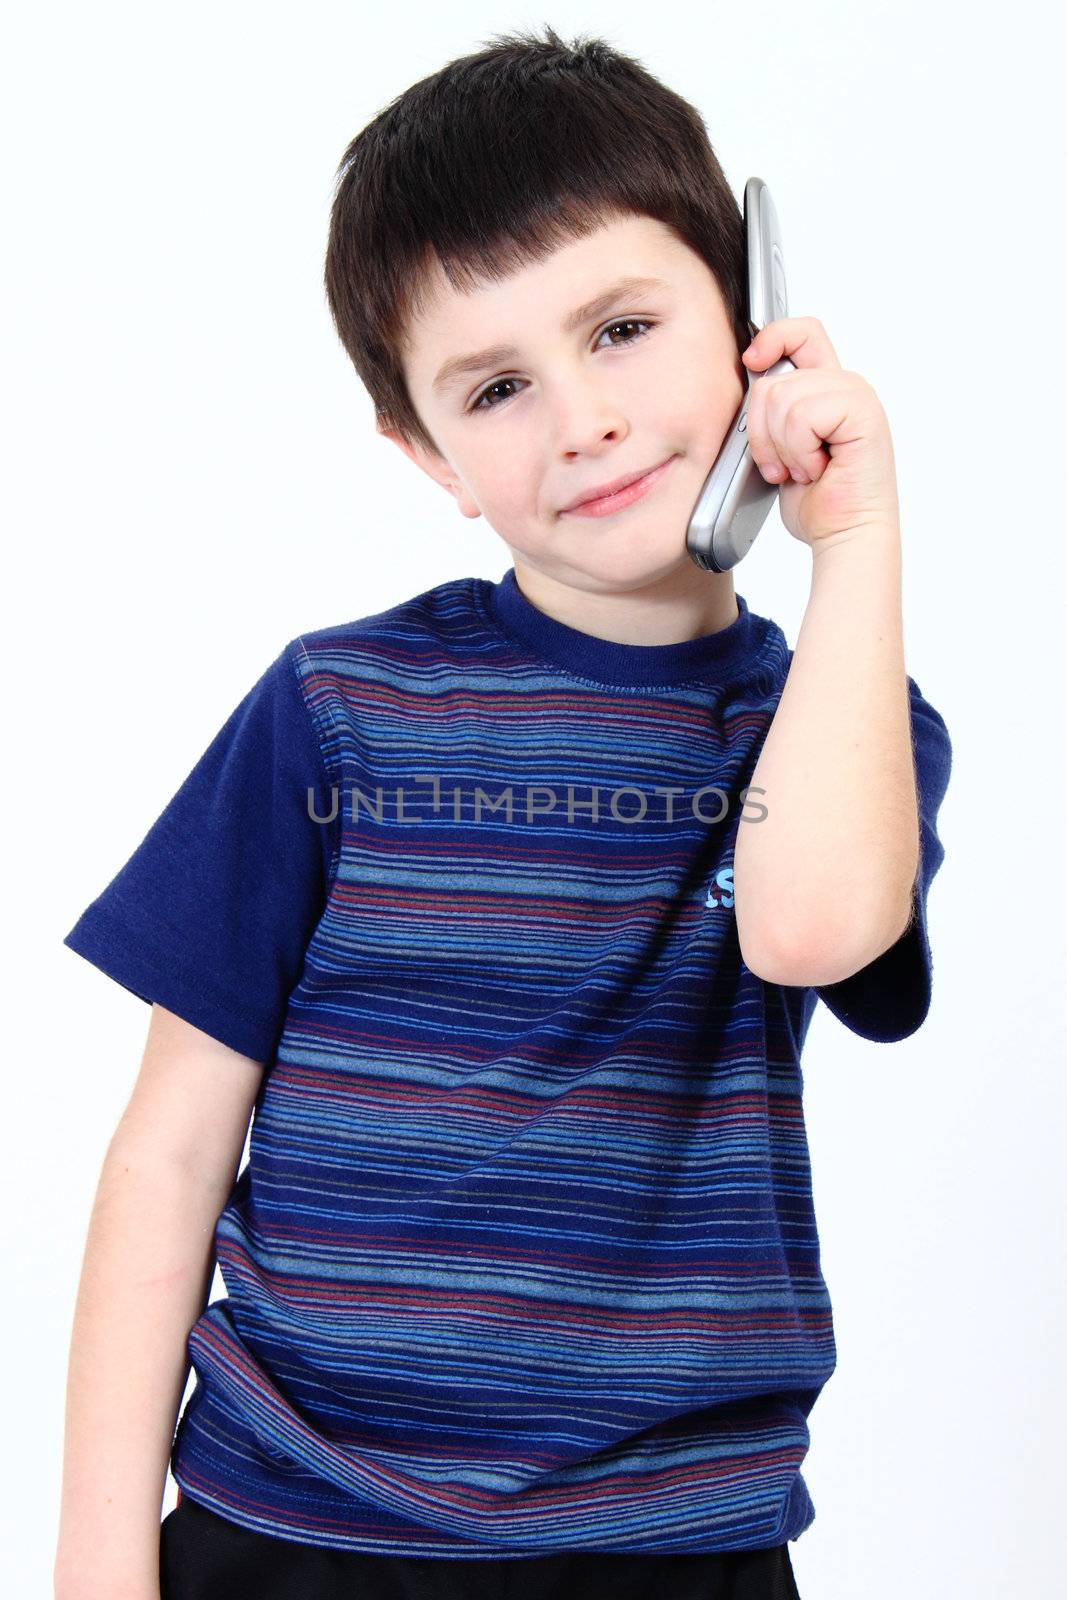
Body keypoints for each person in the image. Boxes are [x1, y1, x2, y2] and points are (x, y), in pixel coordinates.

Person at [54, 24, 952, 1600]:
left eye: (621, 329)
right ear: (429, 455)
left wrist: (854, 536)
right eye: (496, 386)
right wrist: (96, 1562)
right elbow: (171, 1151)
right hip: (297, 1528)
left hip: (670, 1542)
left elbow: (812, 927)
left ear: (753, 324)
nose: (582, 420)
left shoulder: (837, 726)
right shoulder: (340, 708)